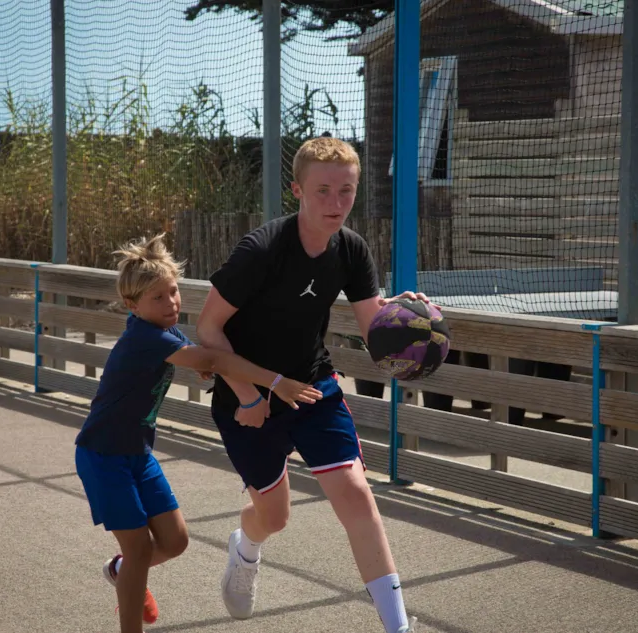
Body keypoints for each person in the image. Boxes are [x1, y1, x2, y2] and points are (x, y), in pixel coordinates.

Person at [196, 136, 426, 633]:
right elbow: (208, 329)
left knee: (355, 493)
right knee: (273, 516)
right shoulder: (260, 251)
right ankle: (246, 548)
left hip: (312, 386)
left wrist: (409, 317)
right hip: (249, 393)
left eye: (346, 191)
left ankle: (398, 628)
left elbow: (373, 331)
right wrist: (250, 394)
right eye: (323, 191)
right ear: (297, 190)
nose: (336, 203)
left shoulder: (351, 249)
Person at [74, 234, 324, 633]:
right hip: (103, 457)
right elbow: (210, 356)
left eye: (173, 292)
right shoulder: (145, 336)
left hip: (137, 455)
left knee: (174, 542)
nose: (171, 302)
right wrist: (276, 381)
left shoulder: (160, 330)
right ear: (132, 305)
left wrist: (203, 363)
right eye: (158, 297)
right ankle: (130, 589)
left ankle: (123, 573)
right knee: (139, 549)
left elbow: (196, 354)